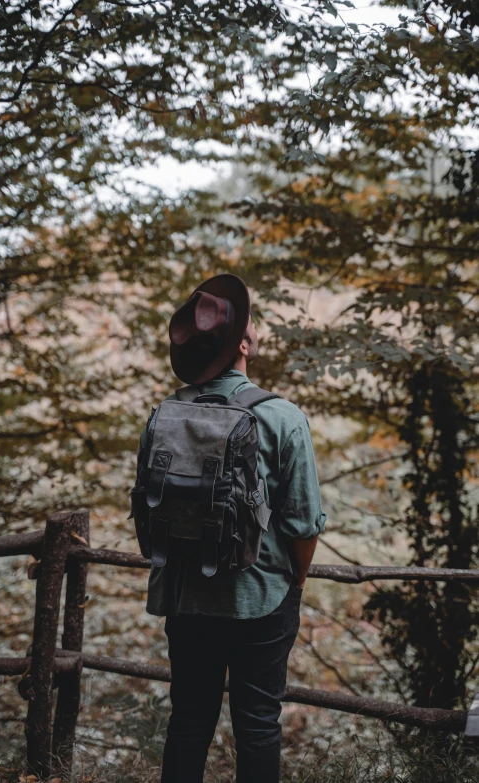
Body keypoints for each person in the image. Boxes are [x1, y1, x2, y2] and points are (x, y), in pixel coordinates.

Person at [134, 273, 327, 783]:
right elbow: (305, 522)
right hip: (260, 597)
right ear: (243, 343)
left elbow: (147, 507)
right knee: (259, 724)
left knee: (190, 719)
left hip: (185, 594)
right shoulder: (282, 417)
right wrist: (295, 582)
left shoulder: (163, 417)